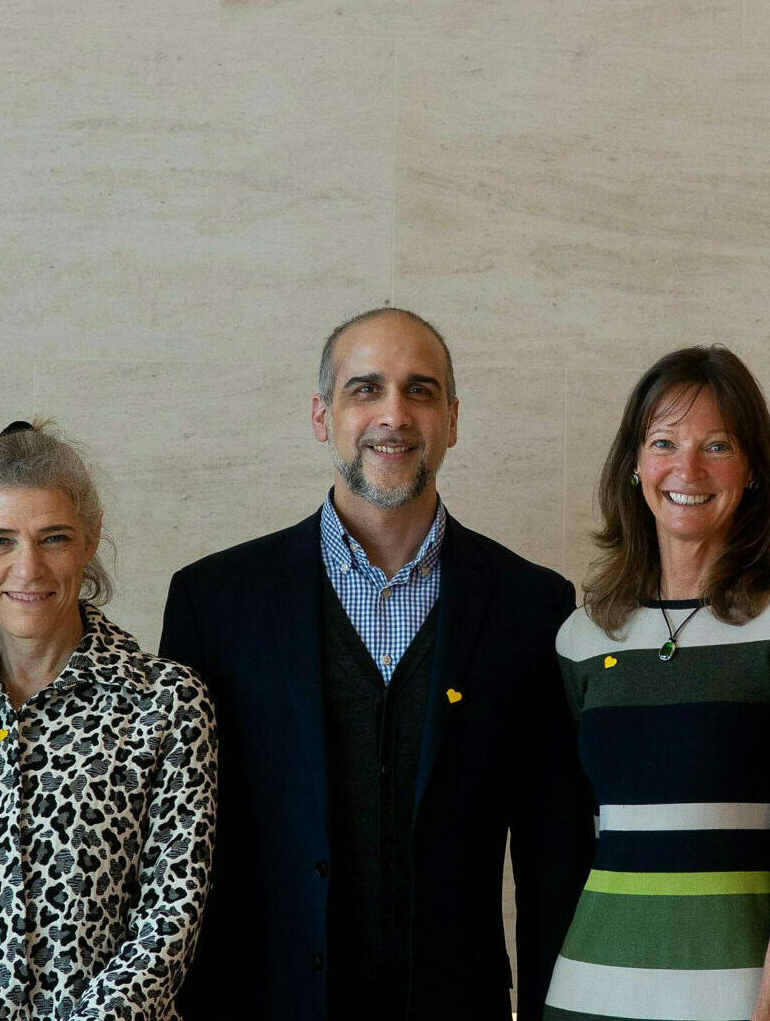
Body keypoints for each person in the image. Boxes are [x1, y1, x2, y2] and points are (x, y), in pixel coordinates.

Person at [160, 307, 593, 1021]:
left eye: (420, 390)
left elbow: (553, 857)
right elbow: (183, 851)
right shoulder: (215, 603)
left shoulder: (532, 605)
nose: (394, 414)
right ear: (321, 415)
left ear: (452, 419)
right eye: (365, 389)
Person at [545, 345, 770, 1021]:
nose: (687, 469)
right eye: (664, 442)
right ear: (635, 465)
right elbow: (583, 843)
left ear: (752, 471)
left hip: (738, 1004)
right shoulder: (583, 638)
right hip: (585, 997)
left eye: (717, 446)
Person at [0, 420, 216, 1020]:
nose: (28, 569)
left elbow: (171, 912)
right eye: (0, 540)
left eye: (53, 538)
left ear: (91, 538)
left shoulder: (167, 702)